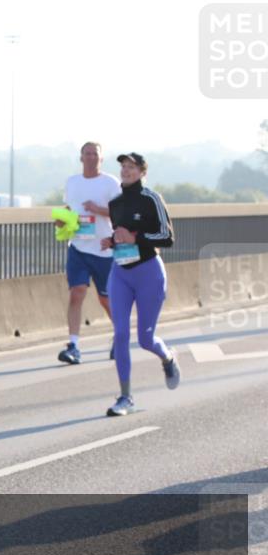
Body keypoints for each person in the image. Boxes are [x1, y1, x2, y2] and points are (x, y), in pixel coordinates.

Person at [101, 152, 181, 416]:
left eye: (132, 167)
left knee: (145, 339)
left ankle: (167, 357)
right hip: (120, 272)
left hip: (148, 273)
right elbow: (121, 234)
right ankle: (125, 397)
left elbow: (167, 237)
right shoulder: (115, 202)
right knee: (121, 333)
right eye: (123, 166)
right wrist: (112, 241)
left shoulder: (151, 199)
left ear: (142, 172)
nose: (126, 170)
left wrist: (134, 236)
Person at [57, 141, 122, 364]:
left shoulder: (110, 183)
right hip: (78, 247)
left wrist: (99, 210)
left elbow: (121, 214)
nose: (91, 157)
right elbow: (69, 209)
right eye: (87, 154)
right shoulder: (72, 182)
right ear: (81, 158)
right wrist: (61, 220)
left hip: (104, 250)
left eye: (95, 154)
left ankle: (120, 336)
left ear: (101, 159)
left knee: (105, 299)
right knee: (76, 293)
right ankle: (73, 346)